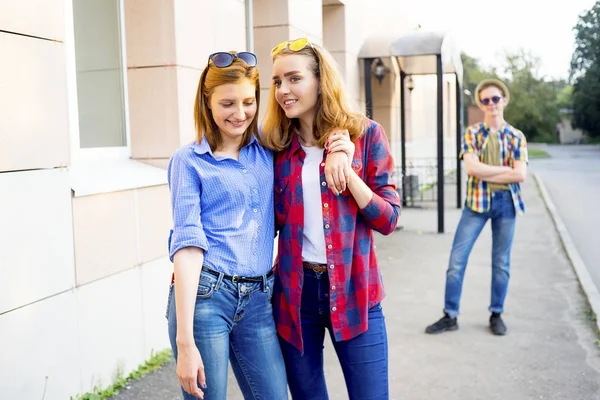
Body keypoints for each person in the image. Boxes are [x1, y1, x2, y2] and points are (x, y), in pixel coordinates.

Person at [165, 50, 351, 400]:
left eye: (248, 102)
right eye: (227, 104)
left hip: (258, 301)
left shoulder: (269, 149)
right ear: (207, 103)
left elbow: (318, 129)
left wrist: (340, 148)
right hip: (207, 297)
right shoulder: (188, 162)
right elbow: (188, 247)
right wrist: (185, 342)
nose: (240, 114)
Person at [261, 38, 401, 400]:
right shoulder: (276, 147)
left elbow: (389, 219)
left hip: (356, 289)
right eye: (277, 82)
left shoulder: (366, 135)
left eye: (294, 78)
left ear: (320, 80)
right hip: (296, 295)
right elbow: (268, 223)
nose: (283, 90)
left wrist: (348, 171)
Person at [425, 78, 528, 336]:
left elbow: (520, 176)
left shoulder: (516, 136)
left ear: (504, 100)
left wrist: (490, 172)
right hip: (476, 203)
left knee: (501, 263)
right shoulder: (472, 133)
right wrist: (506, 170)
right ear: (480, 104)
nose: (491, 104)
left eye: (495, 99)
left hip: (506, 205)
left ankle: (496, 313)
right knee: (456, 261)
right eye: (485, 100)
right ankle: (450, 315)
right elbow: (472, 169)